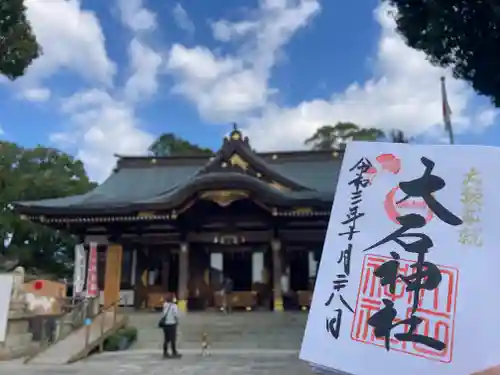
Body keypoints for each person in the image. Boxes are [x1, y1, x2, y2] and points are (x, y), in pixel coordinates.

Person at [161, 293, 181, 359]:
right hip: (172, 324)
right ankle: (174, 352)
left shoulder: (165, 305)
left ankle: (165, 352)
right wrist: (177, 321)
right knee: (173, 339)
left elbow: (164, 314)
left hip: (165, 324)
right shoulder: (174, 306)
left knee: (166, 339)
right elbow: (175, 315)